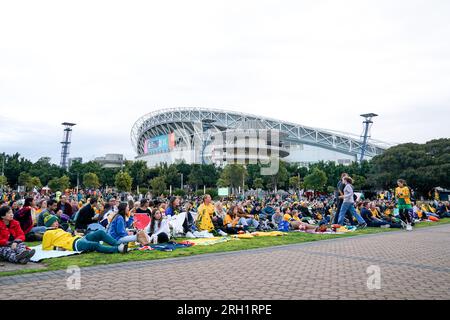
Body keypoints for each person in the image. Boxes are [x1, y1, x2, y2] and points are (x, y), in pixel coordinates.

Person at [43, 215, 128, 253]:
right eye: (54, 222)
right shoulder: (47, 233)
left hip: (78, 238)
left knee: (100, 232)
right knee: (94, 245)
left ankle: (118, 244)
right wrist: (57, 248)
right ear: (49, 224)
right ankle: (118, 249)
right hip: (73, 244)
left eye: (56, 221)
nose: (57, 223)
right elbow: (45, 247)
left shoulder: (59, 229)